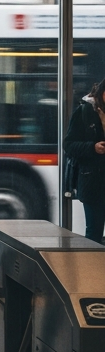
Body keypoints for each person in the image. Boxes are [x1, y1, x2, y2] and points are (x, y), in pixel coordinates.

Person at [65, 78, 105, 243]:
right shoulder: (85, 112)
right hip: (93, 183)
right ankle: (93, 269)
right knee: (94, 234)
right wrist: (92, 148)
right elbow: (68, 144)